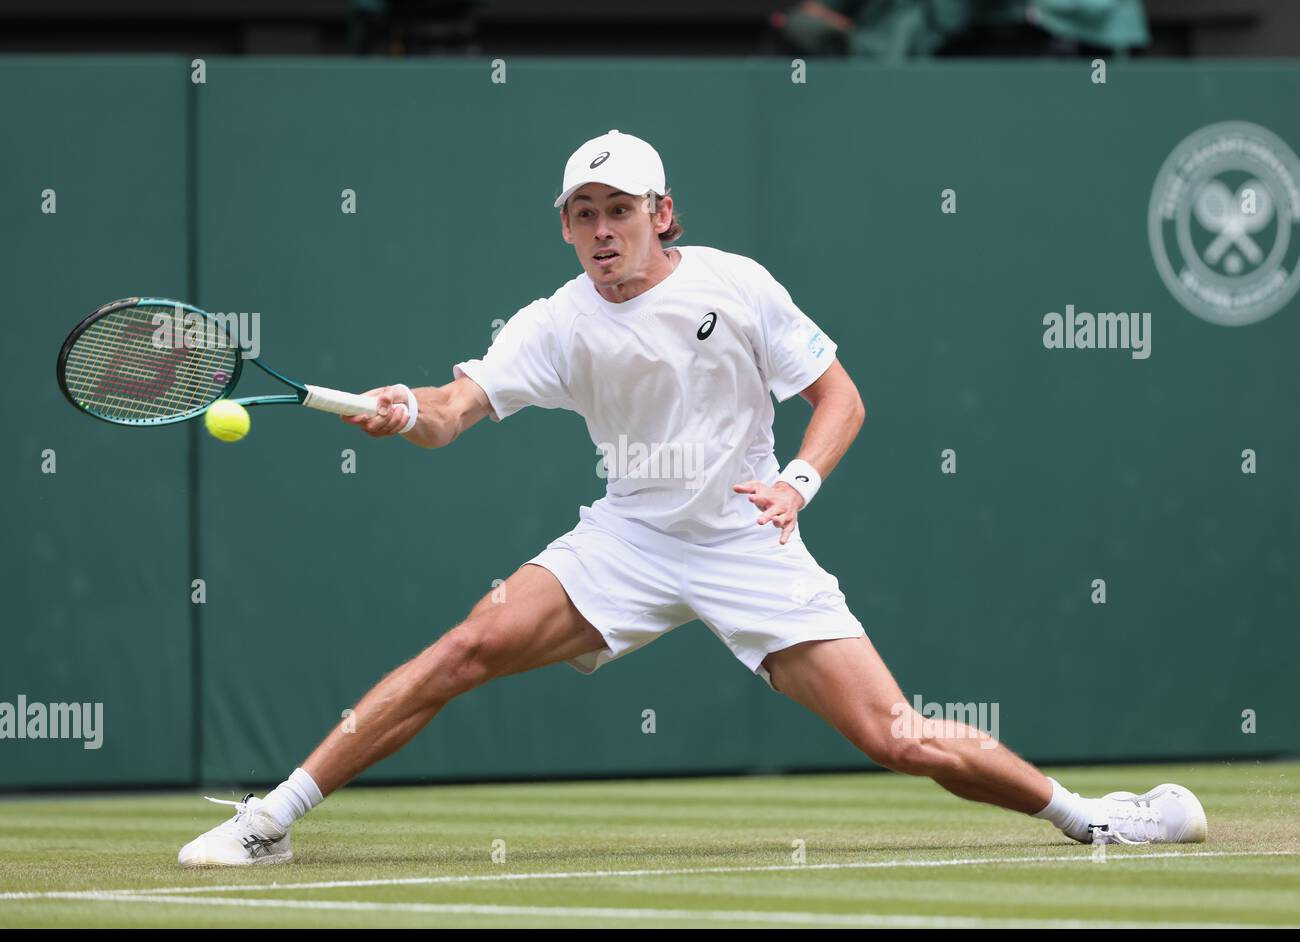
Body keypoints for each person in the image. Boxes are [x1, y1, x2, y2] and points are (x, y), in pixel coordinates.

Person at [178, 129, 1205, 867]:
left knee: (895, 735)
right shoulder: (553, 321)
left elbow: (838, 396)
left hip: (747, 540)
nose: (601, 231)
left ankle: (1094, 818)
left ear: (660, 214)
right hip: (627, 537)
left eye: (619, 211)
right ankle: (270, 817)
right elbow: (456, 409)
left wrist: (798, 482)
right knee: (462, 650)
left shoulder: (735, 285)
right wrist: (406, 409)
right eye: (583, 216)